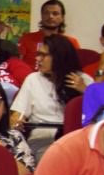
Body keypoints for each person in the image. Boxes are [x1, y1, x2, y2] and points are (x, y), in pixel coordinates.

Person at [13, 33, 87, 165]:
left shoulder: (84, 80)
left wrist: (85, 91)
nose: (38, 59)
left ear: (59, 57)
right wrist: (17, 120)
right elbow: (16, 116)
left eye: (44, 55)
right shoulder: (33, 79)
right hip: (43, 140)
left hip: (77, 140)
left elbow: (98, 116)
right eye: (38, 54)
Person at [17, 0, 78, 66]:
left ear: (62, 18)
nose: (50, 16)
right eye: (46, 13)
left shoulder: (71, 42)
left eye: (55, 13)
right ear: (41, 16)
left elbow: (74, 68)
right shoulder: (26, 39)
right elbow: (18, 65)